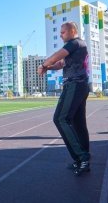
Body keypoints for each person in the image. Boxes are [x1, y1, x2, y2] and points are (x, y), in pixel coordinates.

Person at [37, 22, 90, 176]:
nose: (61, 35)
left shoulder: (75, 43)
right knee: (78, 123)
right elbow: (60, 63)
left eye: (63, 32)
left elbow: (56, 56)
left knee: (60, 118)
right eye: (60, 33)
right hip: (80, 85)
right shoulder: (77, 46)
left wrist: (44, 64)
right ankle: (83, 159)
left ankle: (82, 156)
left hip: (75, 84)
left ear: (72, 31)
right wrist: (48, 67)